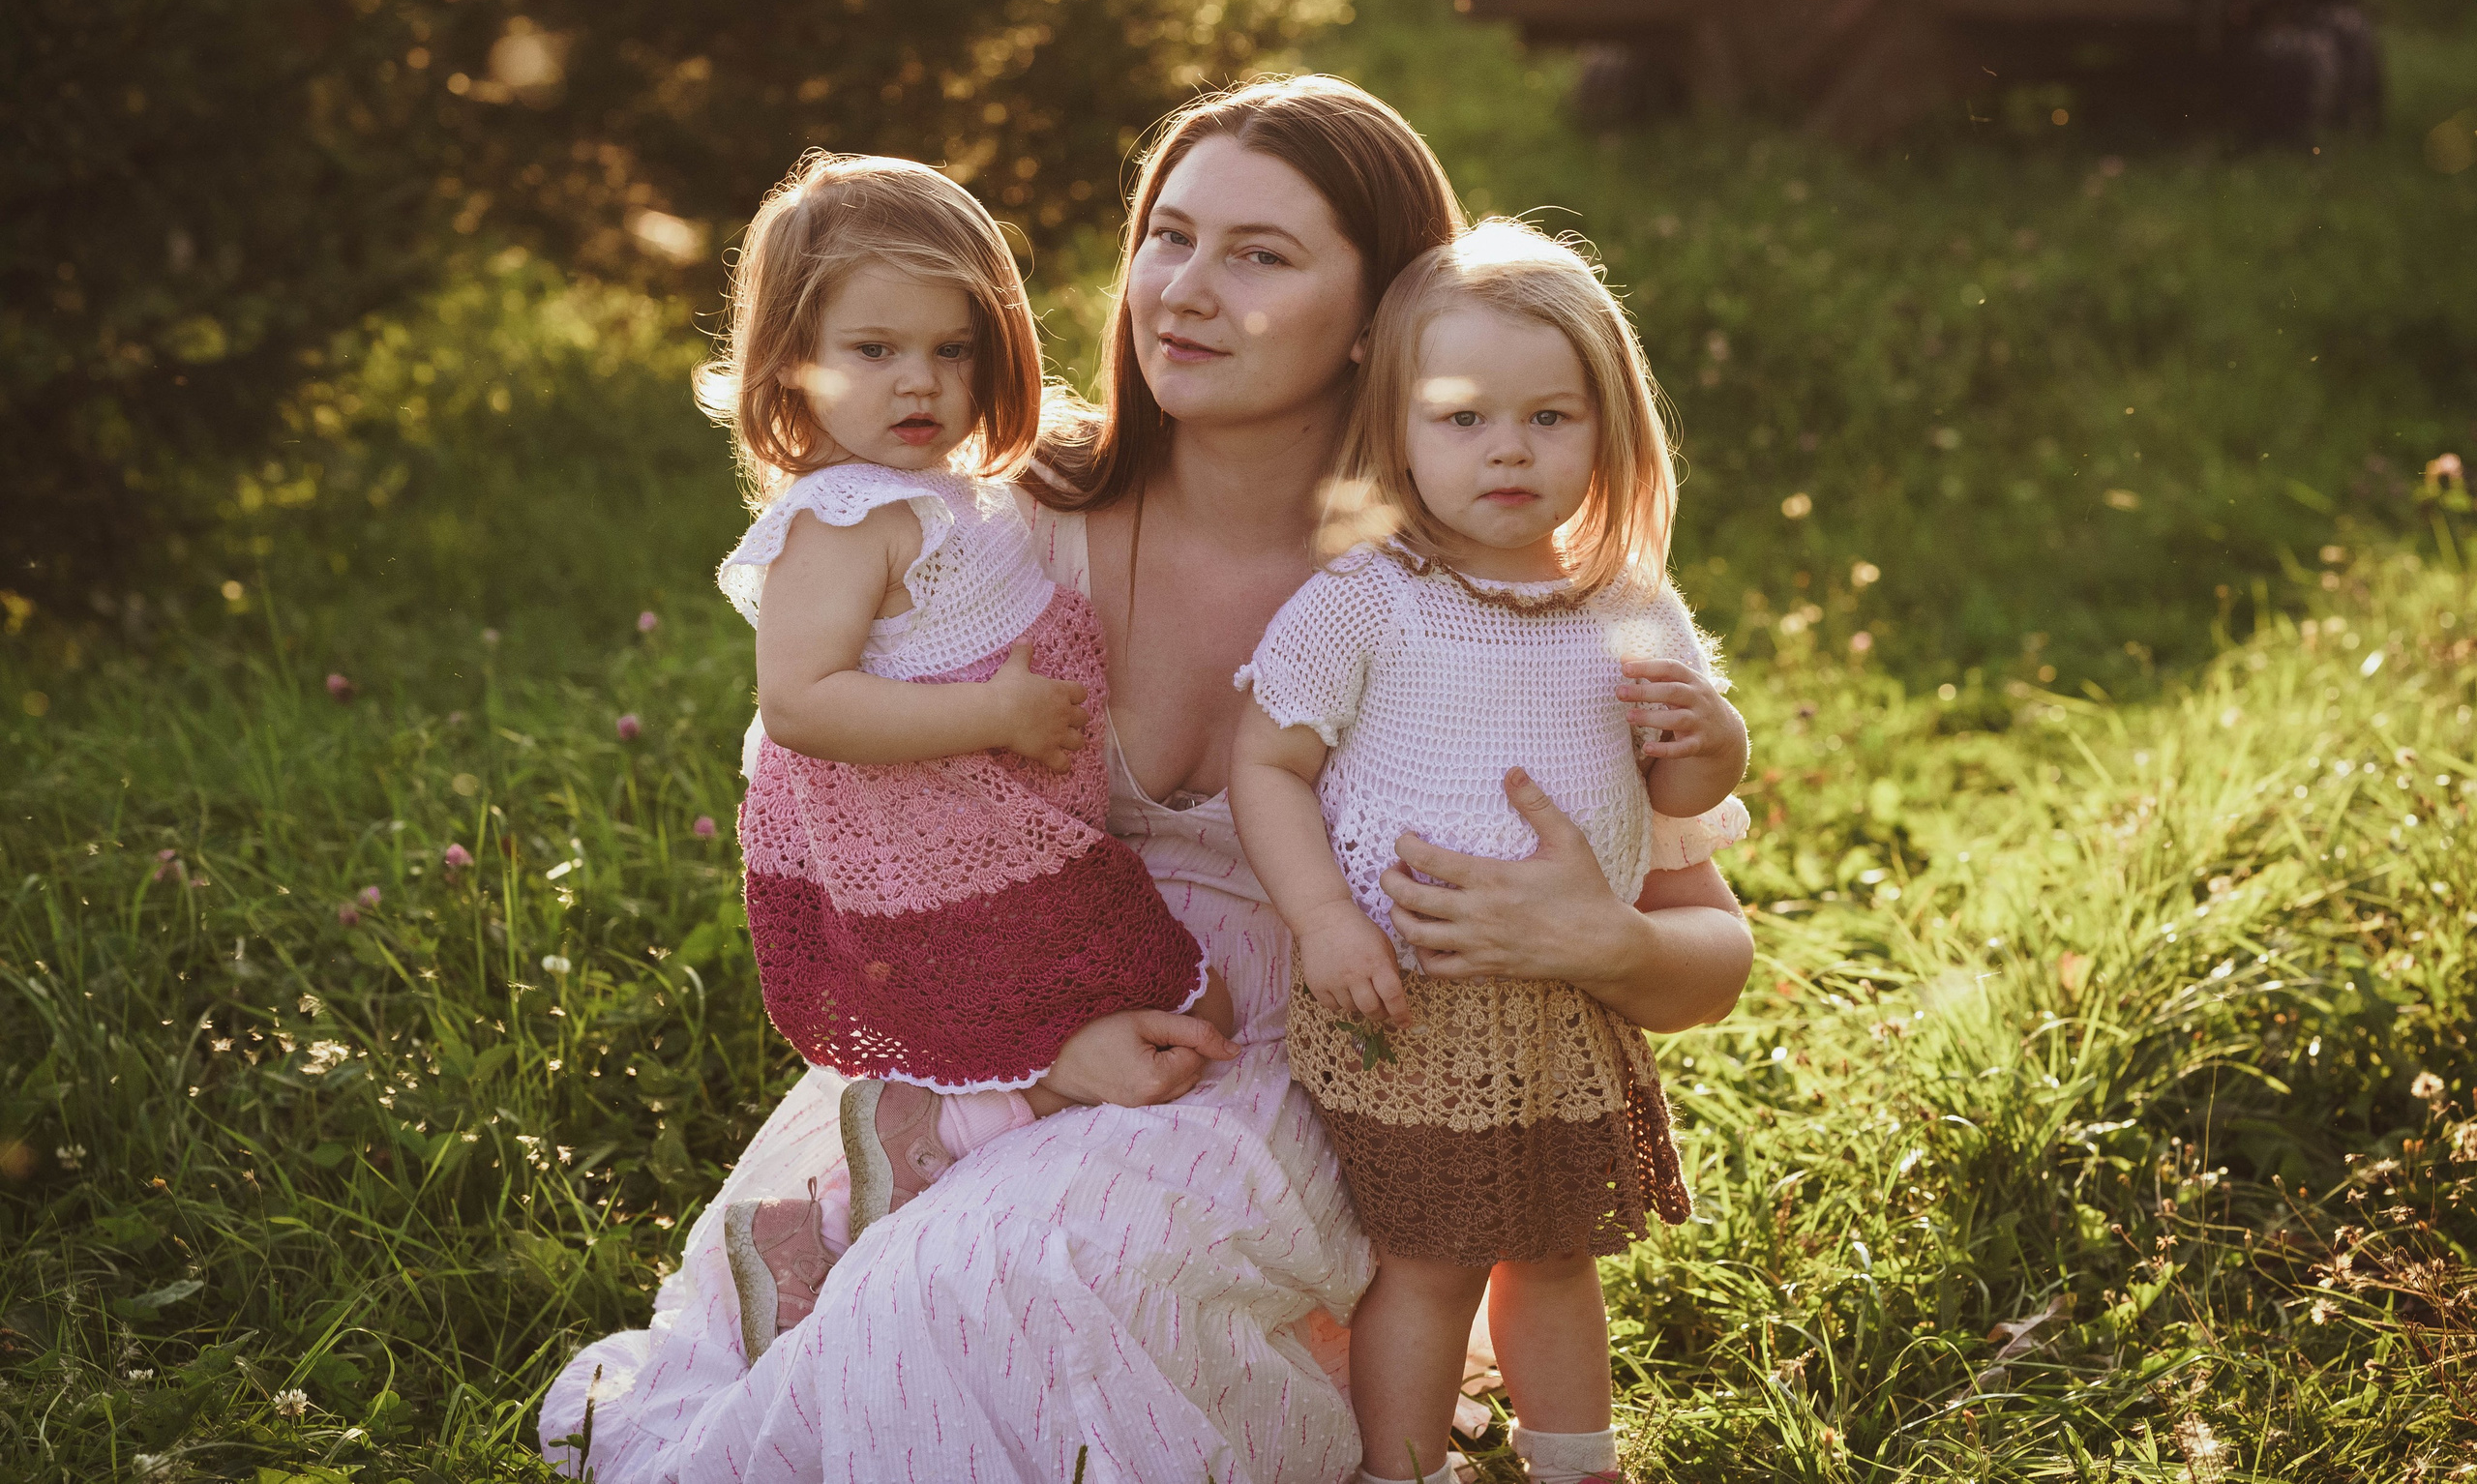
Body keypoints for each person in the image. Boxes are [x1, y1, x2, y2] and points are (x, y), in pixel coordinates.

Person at [540, 75, 1755, 1484]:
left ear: (1379, 318)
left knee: (1004, 1282)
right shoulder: (996, 522)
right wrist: (1039, 1044)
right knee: (886, 1308)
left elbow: (1711, 951)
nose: (1183, 288)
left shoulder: (1488, 583)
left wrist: (1600, 942)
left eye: (1260, 254)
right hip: (999, 1009)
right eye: (1168, 235)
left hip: (1318, 1043)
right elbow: (844, 836)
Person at [1229, 219, 1749, 1484]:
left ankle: (1577, 1459)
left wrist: (1715, 741)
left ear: (1608, 429)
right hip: (1412, 1006)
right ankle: (1401, 1468)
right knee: (1428, 1260)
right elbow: (1268, 762)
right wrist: (1324, 917)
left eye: (1550, 417)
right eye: (1461, 417)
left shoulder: (1632, 605)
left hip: (1566, 1001)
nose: (1508, 447)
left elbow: (1674, 787)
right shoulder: (1371, 599)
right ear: (1395, 430)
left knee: (1558, 1252)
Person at [698, 152, 1240, 1364]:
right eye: (875, 351)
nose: (922, 383)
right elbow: (801, 703)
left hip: (990, 821)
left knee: (1061, 1017)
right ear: (789, 360)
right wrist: (993, 718)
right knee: (1038, 1022)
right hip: (926, 845)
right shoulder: (841, 518)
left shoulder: (942, 488)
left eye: (953, 351)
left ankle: (889, 1184)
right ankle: (838, 1212)